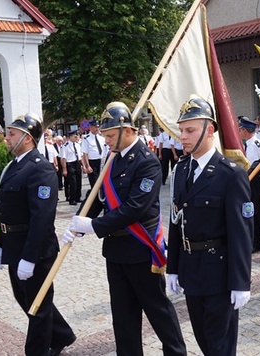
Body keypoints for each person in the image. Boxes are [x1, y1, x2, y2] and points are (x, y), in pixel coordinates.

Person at [63, 102, 186, 355]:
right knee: (123, 314)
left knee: (156, 309)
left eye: (109, 135)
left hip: (141, 249)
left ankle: (175, 352)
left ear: (127, 130)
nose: (105, 140)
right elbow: (97, 193)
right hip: (116, 249)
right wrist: (78, 220)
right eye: (104, 136)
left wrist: (93, 225)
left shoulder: (147, 162)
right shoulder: (112, 159)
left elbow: (134, 208)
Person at [166, 96, 252, 355]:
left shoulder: (231, 174)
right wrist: (173, 267)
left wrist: (241, 281)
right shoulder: (182, 169)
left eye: (190, 130)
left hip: (219, 274)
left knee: (220, 347)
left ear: (210, 130)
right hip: (191, 271)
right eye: (181, 130)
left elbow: (241, 233)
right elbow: (176, 219)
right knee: (204, 341)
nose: (183, 136)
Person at [0, 113, 76, 356]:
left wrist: (30, 257)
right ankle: (63, 335)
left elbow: (41, 218)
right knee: (25, 299)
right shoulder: (13, 166)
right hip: (15, 246)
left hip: (35, 251)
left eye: (12, 134)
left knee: (37, 307)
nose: (7, 138)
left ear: (27, 138)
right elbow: (7, 211)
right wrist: (0, 243)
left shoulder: (40, 170)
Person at [239, 117, 260, 253]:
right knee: (251, 213)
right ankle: (256, 242)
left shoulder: (259, 145)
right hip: (249, 182)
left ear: (245, 130)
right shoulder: (245, 145)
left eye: (241, 129)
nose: (239, 132)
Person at [80, 120, 106, 188]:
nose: (97, 128)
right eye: (95, 127)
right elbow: (85, 153)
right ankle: (95, 198)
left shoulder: (101, 138)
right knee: (94, 183)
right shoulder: (86, 139)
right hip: (92, 162)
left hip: (102, 161)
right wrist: (87, 166)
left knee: (102, 182)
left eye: (98, 127)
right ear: (90, 127)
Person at [60, 131, 82, 205]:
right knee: (73, 182)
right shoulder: (65, 146)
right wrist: (64, 169)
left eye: (76, 136)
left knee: (79, 181)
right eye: (74, 136)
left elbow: (80, 156)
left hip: (77, 163)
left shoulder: (78, 145)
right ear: (70, 137)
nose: (76, 137)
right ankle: (72, 199)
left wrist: (83, 165)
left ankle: (78, 197)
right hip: (70, 164)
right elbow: (63, 158)